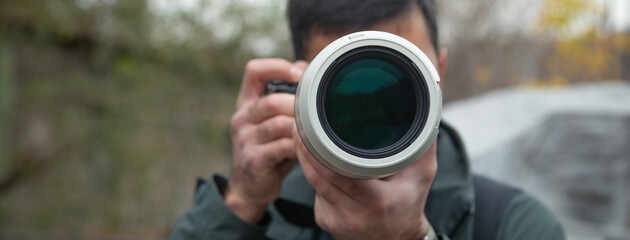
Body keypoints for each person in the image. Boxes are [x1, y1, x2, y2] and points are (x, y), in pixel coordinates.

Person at [170, 0, 566, 239]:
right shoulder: (270, 210)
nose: (372, 111)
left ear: (439, 72)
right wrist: (241, 201)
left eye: (401, 80)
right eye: (344, 87)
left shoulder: (511, 224)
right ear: (302, 85)